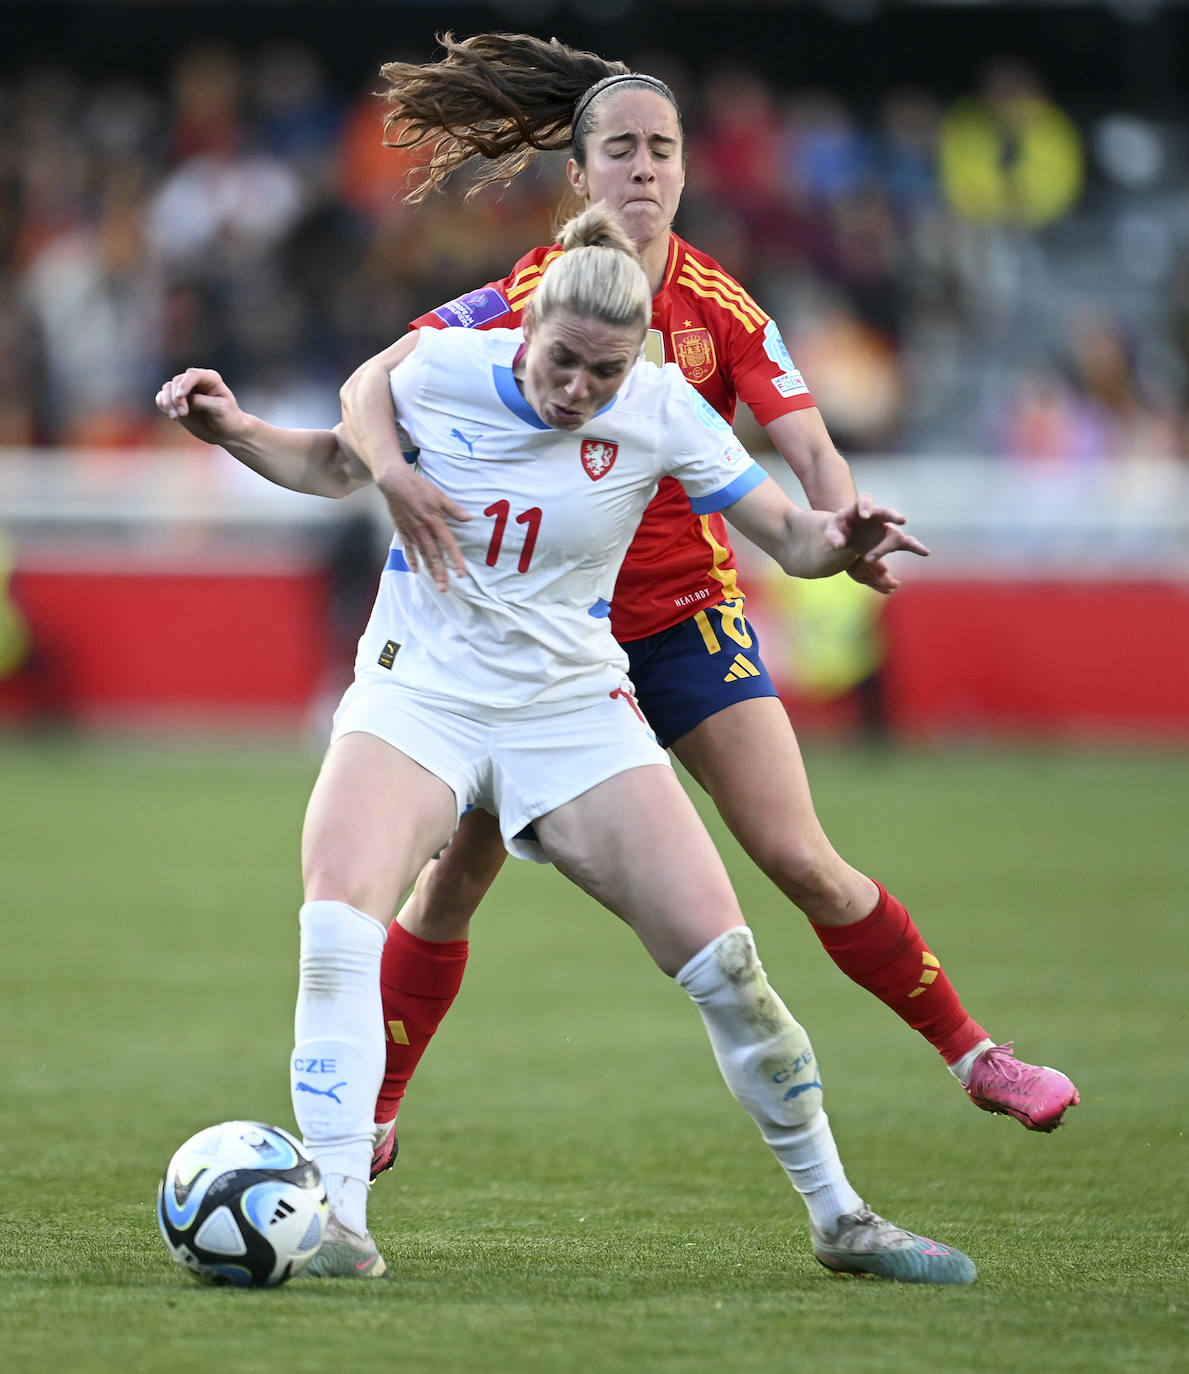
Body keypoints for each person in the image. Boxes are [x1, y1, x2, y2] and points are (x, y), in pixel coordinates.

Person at [157, 206, 977, 1285]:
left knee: (729, 967)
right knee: (336, 928)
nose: (579, 389)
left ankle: (841, 1217)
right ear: (526, 326)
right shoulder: (444, 365)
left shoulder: (662, 406)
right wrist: (232, 428)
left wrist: (841, 540)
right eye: (563, 362)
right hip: (421, 699)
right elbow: (327, 464)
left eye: (604, 370)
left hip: (572, 712)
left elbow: (785, 532)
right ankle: (343, 1223)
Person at [342, 34, 1078, 1167]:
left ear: (687, 172)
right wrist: (388, 471)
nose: (644, 170)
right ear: (578, 176)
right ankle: (375, 1112)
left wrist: (840, 530)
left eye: (664, 152)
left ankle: (975, 1053)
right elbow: (378, 384)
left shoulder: (721, 307)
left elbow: (810, 453)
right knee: (455, 883)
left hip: (679, 617)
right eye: (622, 151)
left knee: (798, 856)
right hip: (535, 642)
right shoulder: (529, 300)